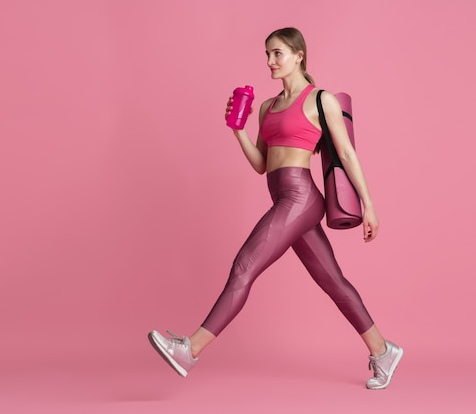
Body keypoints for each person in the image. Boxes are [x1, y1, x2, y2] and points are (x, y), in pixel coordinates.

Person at [148, 27, 403, 390]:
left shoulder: (320, 100)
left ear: (299, 54)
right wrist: (237, 130)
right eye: (267, 54)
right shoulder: (267, 106)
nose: (269, 62)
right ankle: (383, 351)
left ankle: (189, 349)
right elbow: (262, 164)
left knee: (244, 266)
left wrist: (370, 205)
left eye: (277, 53)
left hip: (300, 198)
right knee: (334, 282)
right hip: (283, 198)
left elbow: (346, 154)